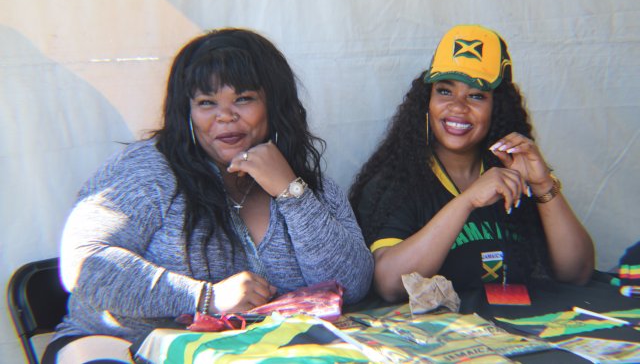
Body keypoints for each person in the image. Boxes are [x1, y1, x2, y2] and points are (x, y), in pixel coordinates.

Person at [43, 28, 373, 362]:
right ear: (186, 112)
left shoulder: (304, 182)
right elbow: (85, 266)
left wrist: (291, 192)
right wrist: (206, 298)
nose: (225, 116)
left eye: (243, 99)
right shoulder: (146, 171)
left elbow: (352, 285)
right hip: (123, 350)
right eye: (206, 103)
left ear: (274, 104)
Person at [349, 25, 594, 303]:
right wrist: (468, 201)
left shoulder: (514, 171)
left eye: (476, 95)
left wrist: (542, 185)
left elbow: (578, 273)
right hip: (440, 330)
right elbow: (390, 284)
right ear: (427, 102)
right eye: (444, 91)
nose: (458, 106)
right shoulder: (396, 180)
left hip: (518, 325)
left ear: (497, 108)